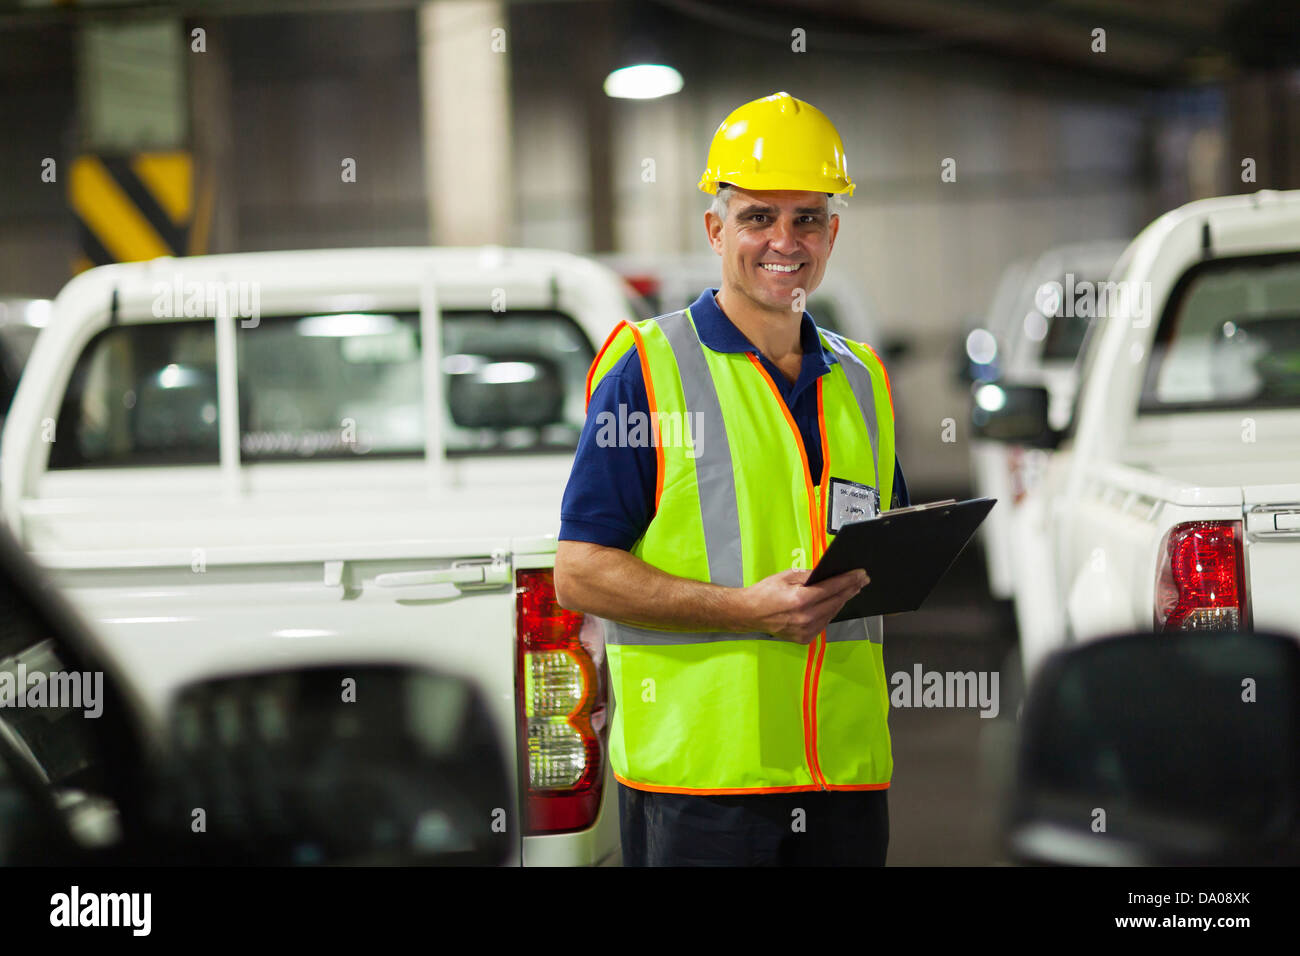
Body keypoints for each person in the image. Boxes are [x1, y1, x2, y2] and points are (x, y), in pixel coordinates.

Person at [554, 91, 909, 866]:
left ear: (832, 232)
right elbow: (580, 573)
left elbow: (882, 548)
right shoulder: (648, 370)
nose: (785, 241)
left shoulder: (863, 379)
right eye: (758, 217)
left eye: (806, 218)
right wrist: (747, 610)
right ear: (716, 229)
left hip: (843, 781)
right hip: (704, 791)